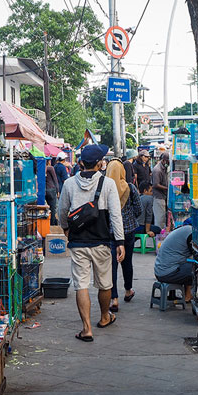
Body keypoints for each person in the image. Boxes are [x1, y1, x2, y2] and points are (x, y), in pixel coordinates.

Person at [57, 144, 124, 342]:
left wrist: (66, 229)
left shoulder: (69, 184)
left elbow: (62, 212)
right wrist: (119, 241)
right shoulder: (108, 183)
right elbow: (115, 215)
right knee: (105, 284)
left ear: (80, 163)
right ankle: (104, 317)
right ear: (100, 164)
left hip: (78, 243)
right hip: (102, 242)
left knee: (81, 285)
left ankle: (86, 329)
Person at [106, 160, 141, 312]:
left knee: (112, 265)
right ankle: (128, 290)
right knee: (127, 262)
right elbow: (139, 209)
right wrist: (128, 217)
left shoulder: (105, 188)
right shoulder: (130, 187)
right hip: (128, 231)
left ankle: (114, 298)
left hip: (110, 232)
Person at [153, 225, 194, 303]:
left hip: (161, 271)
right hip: (167, 273)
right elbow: (196, 254)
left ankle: (188, 294)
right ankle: (188, 296)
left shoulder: (184, 231)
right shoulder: (190, 234)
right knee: (197, 268)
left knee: (190, 266)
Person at [151, 152, 170, 229]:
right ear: (164, 160)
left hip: (164, 196)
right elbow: (156, 184)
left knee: (163, 218)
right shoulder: (157, 170)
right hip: (159, 197)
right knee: (160, 219)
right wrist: (167, 188)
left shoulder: (164, 168)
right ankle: (158, 236)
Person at [45, 158, 60, 225]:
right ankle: (52, 223)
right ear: (48, 162)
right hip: (51, 190)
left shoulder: (41, 169)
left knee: (46, 208)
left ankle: (47, 222)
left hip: (44, 190)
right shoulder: (51, 168)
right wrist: (58, 191)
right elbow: (55, 180)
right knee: (53, 207)